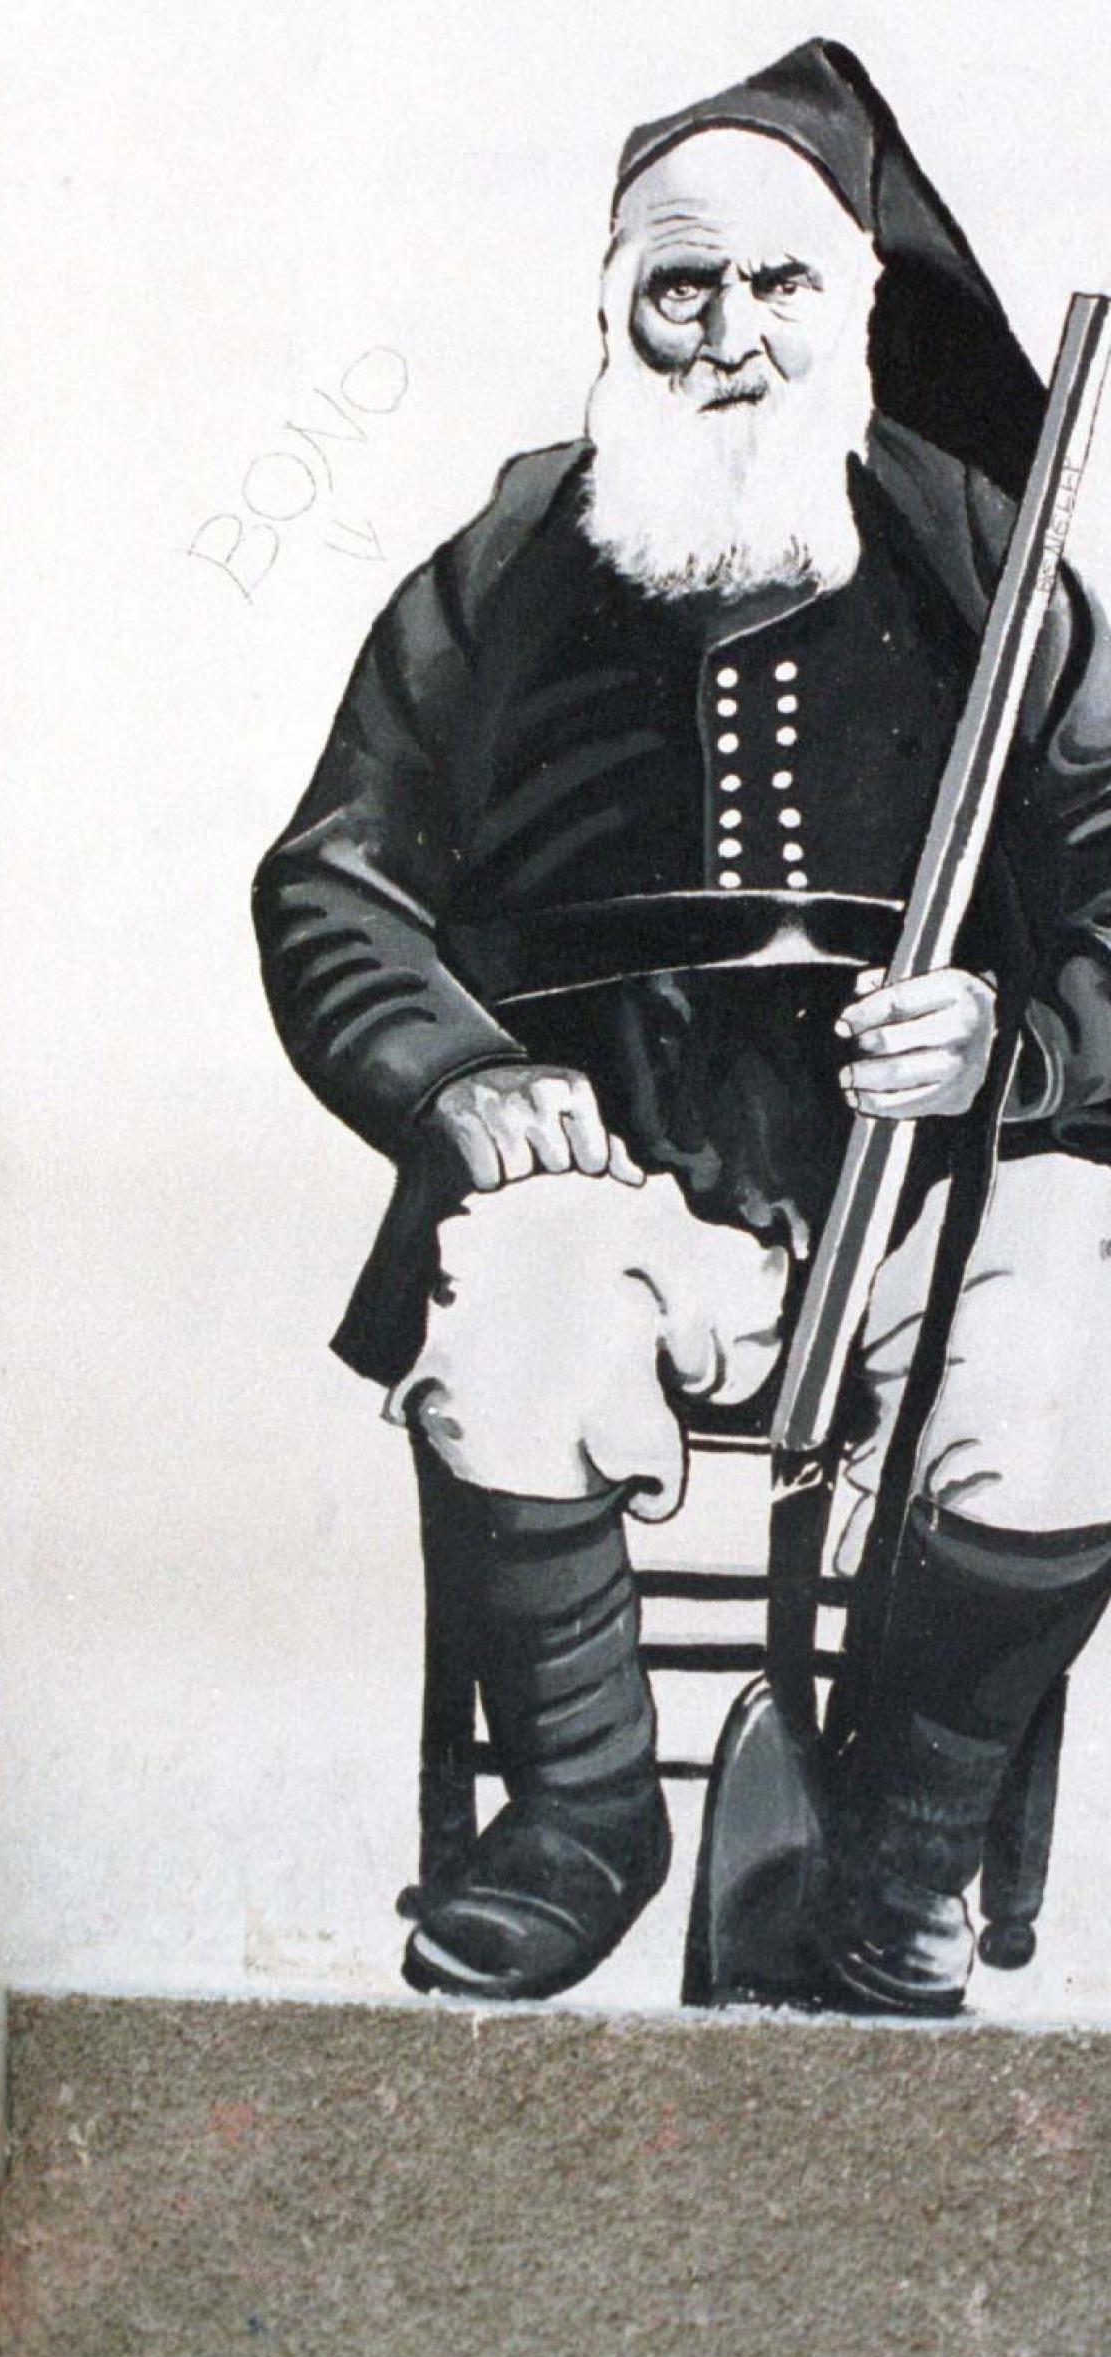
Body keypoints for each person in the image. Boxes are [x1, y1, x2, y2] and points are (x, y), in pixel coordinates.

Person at [253, 40, 1111, 2012]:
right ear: (613, 305)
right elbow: (331, 881)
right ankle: (577, 1818)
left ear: (855, 308)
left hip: (939, 1183)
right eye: (679, 288)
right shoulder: (495, 567)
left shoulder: (986, 560)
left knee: (1077, 1354)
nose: (727, 338)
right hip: (612, 1161)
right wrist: (461, 1075)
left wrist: (1014, 1046)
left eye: (779, 286)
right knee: (510, 1304)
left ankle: (896, 1856)